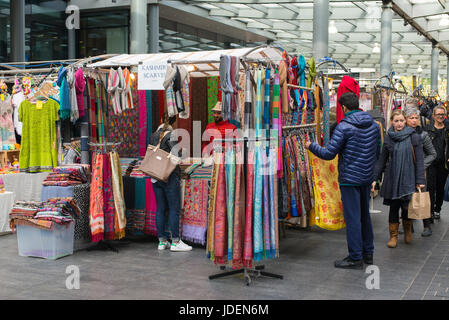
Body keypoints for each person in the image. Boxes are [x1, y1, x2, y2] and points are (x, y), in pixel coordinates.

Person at [306, 92, 380, 269]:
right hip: (365, 177)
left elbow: (328, 153)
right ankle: (368, 254)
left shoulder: (344, 127)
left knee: (353, 218)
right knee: (364, 217)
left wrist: (311, 146)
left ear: (344, 107)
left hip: (349, 179)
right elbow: (377, 152)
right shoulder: (374, 125)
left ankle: (355, 257)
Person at [373, 110, 425, 248]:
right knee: (394, 208)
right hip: (393, 177)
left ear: (405, 121)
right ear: (392, 122)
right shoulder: (389, 137)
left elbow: (420, 160)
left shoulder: (414, 137)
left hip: (410, 178)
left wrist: (420, 181)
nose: (399, 123)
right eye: (396, 121)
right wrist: (375, 178)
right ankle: (393, 236)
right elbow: (382, 159)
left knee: (407, 208)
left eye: (402, 120)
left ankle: (408, 228)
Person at [149, 113, 192, 252]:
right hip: (169, 176)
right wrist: (183, 152)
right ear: (173, 124)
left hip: (155, 176)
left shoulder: (153, 135)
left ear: (161, 120)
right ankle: (175, 242)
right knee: (174, 209)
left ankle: (162, 241)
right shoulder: (170, 135)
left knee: (160, 209)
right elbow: (176, 156)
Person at [404, 104, 436, 237]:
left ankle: (427, 225)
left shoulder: (423, 135)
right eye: (411, 118)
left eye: (416, 118)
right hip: (405, 170)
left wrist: (422, 165)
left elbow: (432, 154)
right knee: (405, 198)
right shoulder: (402, 134)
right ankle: (407, 225)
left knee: (421, 196)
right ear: (406, 119)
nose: (414, 120)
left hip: (419, 172)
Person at [425, 106, 449, 222]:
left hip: (443, 164)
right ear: (433, 116)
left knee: (440, 188)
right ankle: (429, 212)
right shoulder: (428, 129)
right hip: (431, 163)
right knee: (430, 187)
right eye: (438, 114)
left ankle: (437, 209)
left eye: (442, 114)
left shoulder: (447, 129)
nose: (440, 116)